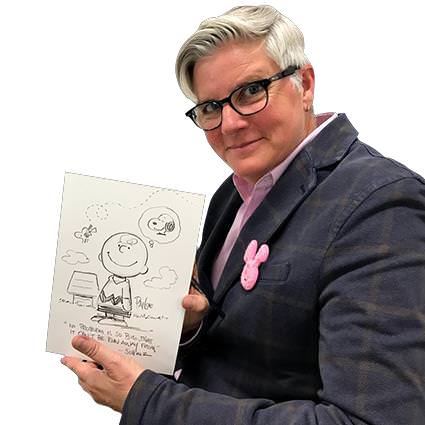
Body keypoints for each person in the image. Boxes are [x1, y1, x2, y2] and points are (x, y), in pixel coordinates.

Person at [61, 5, 425, 424]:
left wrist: (147, 399)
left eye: (251, 91)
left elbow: (370, 420)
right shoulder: (234, 193)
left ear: (305, 84)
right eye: (210, 107)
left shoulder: (381, 203)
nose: (230, 123)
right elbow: (247, 352)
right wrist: (189, 327)